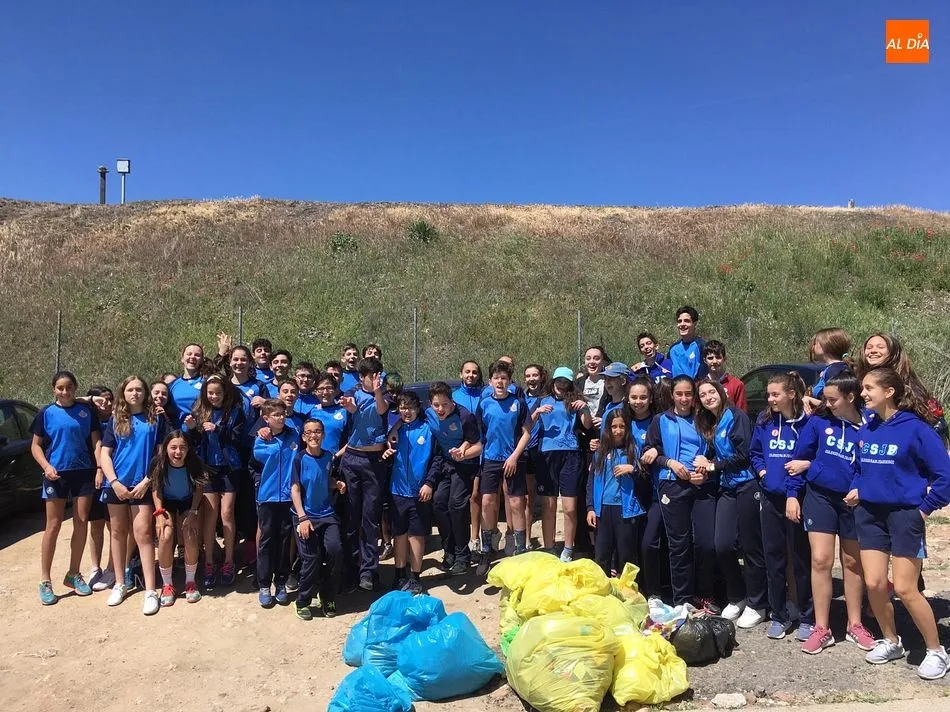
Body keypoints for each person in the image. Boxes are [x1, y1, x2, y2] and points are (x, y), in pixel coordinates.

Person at [846, 368, 950, 678]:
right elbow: (859, 469)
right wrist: (857, 488)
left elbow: (944, 477)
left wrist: (923, 510)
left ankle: (936, 650)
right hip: (869, 515)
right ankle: (891, 640)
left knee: (905, 588)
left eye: (868, 388)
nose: (863, 393)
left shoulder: (916, 430)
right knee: (875, 584)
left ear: (889, 392)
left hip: (905, 515)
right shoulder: (867, 430)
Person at [785, 369, 874, 654]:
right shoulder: (819, 423)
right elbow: (799, 458)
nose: (827, 404)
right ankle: (822, 628)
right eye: (825, 398)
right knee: (821, 560)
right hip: (819, 498)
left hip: (854, 503)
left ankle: (855, 624)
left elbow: (874, 465)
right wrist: (791, 494)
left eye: (833, 399)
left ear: (851, 397)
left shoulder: (871, 425)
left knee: (852, 563)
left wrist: (860, 487)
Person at [695, 378, 767, 629]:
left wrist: (713, 465)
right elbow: (721, 453)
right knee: (722, 544)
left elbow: (744, 454)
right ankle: (737, 597)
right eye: (702, 395)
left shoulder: (736, 417)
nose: (707, 397)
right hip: (727, 486)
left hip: (747, 485)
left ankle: (758, 603)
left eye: (711, 392)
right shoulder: (711, 422)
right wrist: (708, 459)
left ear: (721, 393)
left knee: (750, 547)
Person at [642, 375, 717, 611]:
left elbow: (717, 453)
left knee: (707, 542)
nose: (684, 399)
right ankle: (683, 598)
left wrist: (706, 471)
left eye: (688, 394)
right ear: (672, 395)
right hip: (672, 485)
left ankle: (706, 593)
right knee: (679, 544)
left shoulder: (705, 419)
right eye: (679, 394)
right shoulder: (660, 420)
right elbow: (649, 451)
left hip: (702, 485)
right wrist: (670, 463)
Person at [750, 371, 814, 641]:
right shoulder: (764, 421)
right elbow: (754, 453)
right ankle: (778, 614)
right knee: (773, 558)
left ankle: (807, 616)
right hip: (771, 498)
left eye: (775, 394)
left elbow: (810, 459)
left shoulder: (808, 424)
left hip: (799, 500)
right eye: (768, 394)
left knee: (800, 559)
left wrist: (792, 492)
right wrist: (764, 474)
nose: (770, 399)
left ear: (791, 394)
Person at [31, 371, 101, 605]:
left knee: (81, 522)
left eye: (69, 387)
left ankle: (73, 573)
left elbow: (96, 441)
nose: (64, 391)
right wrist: (46, 466)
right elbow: (35, 446)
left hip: (83, 473)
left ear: (75, 388)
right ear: (54, 389)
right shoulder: (45, 414)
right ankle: (45, 580)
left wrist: (99, 466)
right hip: (56, 474)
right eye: (60, 388)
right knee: (53, 525)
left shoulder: (86, 412)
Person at [100, 375, 168, 614]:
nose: (135, 393)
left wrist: (147, 481)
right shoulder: (115, 420)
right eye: (130, 390)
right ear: (123, 393)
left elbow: (161, 455)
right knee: (117, 533)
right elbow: (105, 454)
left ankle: (150, 590)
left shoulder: (157, 418)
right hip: (117, 485)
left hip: (143, 485)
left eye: (139, 389)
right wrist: (114, 482)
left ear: (145, 393)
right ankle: (119, 583)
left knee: (144, 534)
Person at [184, 374, 245, 589]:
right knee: (210, 515)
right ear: (205, 394)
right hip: (207, 469)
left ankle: (228, 560)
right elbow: (194, 443)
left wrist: (218, 429)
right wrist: (192, 428)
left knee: (226, 513)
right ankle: (209, 562)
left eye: (218, 392)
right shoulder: (200, 412)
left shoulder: (235, 412)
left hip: (229, 468)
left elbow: (239, 438)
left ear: (225, 393)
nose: (214, 396)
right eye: (210, 393)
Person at [474, 360, 533, 577]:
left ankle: (519, 550)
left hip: (513, 459)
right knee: (488, 502)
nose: (500, 381)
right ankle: (487, 549)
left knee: (517, 502)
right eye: (496, 378)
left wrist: (515, 457)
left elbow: (527, 432)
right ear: (490, 381)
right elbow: (480, 436)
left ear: (510, 381)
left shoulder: (518, 402)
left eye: (504, 378)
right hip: (490, 459)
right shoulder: (484, 404)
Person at [338, 357, 390, 591]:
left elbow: (381, 410)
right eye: (371, 376)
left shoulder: (386, 395)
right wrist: (349, 406)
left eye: (378, 375)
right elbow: (350, 406)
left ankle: (368, 569)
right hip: (352, 458)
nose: (375, 379)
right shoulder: (353, 393)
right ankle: (350, 566)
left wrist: (378, 390)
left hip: (374, 461)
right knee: (351, 515)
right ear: (362, 378)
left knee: (370, 517)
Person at [531, 366, 593, 561]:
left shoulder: (574, 402)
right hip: (547, 454)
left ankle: (568, 547)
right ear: (553, 381)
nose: (560, 384)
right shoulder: (542, 401)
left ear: (569, 384)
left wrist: (583, 407)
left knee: (570, 507)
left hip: (571, 454)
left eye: (565, 381)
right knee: (548, 506)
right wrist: (537, 412)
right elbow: (527, 426)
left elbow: (588, 424)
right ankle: (549, 547)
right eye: (558, 380)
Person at [290, 418, 345, 620]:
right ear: (304, 437)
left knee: (335, 551)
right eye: (309, 432)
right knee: (311, 558)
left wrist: (336, 484)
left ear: (323, 435)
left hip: (327, 514)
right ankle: (302, 600)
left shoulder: (329, 457)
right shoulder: (299, 459)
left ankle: (328, 596)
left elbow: (323, 479)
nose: (314, 435)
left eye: (317, 431)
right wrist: (303, 518)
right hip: (305, 516)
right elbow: (295, 489)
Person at [426, 381, 483, 575]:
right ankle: (448, 549)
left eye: (444, 404)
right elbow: (405, 413)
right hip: (444, 465)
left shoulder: (465, 416)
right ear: (430, 404)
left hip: (465, 465)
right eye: (436, 405)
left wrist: (463, 454)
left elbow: (478, 446)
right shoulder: (428, 414)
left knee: (456, 504)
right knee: (438, 503)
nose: (440, 409)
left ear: (452, 402)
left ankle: (462, 554)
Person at [383, 391, 437, 593]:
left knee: (417, 535)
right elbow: (383, 453)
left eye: (411, 407)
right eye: (403, 407)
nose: (407, 411)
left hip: (419, 492)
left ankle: (415, 577)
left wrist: (429, 483)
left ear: (418, 409)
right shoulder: (394, 431)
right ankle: (399, 575)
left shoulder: (428, 430)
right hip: (397, 492)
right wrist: (386, 454)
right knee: (399, 534)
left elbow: (436, 460)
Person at [622, 377, 670, 599]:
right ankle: (632, 589)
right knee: (629, 544)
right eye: (634, 397)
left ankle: (655, 593)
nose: (638, 401)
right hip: (627, 493)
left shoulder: (659, 422)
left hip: (654, 491)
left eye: (643, 397)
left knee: (649, 542)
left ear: (651, 399)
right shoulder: (622, 420)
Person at [251, 400, 299, 608]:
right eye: (275, 415)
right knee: (266, 541)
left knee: (284, 540)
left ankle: (280, 582)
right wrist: (264, 433)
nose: (280, 417)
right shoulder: (261, 439)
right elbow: (258, 460)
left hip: (288, 497)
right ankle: (264, 584)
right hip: (268, 497)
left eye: (282, 414)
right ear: (266, 418)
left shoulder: (294, 435)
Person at [149, 431, 206, 605]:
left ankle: (190, 582)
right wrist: (159, 513)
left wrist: (193, 511)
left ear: (188, 449)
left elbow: (199, 489)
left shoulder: (195, 463)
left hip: (188, 501)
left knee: (190, 534)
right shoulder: (158, 463)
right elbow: (156, 488)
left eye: (182, 447)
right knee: (165, 535)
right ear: (166, 448)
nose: (178, 452)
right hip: (167, 503)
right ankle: (167, 585)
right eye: (173, 447)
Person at [586, 409, 645, 576]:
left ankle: (629, 592)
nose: (618, 431)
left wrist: (633, 469)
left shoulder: (634, 450)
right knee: (602, 554)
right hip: (602, 510)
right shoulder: (600, 452)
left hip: (626, 511)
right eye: (613, 427)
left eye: (622, 426)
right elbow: (591, 481)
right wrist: (590, 507)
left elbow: (645, 479)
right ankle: (604, 593)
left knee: (627, 555)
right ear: (607, 428)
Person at [856, 333, 947, 438]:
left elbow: (933, 423)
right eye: (869, 347)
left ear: (893, 352)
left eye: (880, 347)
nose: (873, 350)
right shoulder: (858, 380)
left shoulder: (909, 386)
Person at [85, 385, 114, 592]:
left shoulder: (119, 419)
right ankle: (95, 567)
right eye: (102, 400)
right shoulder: (88, 419)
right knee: (95, 525)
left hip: (112, 476)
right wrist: (90, 399)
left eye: (110, 399)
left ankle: (113, 567)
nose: (107, 403)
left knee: (114, 526)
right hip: (93, 479)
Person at [804, 328, 852, 409]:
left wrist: (809, 400)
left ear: (826, 344)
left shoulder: (836, 370)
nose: (812, 347)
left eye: (815, 343)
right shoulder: (832, 369)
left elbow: (835, 404)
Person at [701, 340, 747, 411]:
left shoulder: (737, 385)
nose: (714, 361)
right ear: (705, 360)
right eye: (710, 358)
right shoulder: (700, 386)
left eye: (718, 357)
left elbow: (742, 416)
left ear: (724, 359)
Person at [168, 344, 206, 427]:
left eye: (197, 355)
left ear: (202, 360)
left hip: (199, 434)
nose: (192, 357)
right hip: (176, 435)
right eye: (189, 354)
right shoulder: (172, 385)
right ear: (182, 358)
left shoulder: (206, 383)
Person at [668, 307, 706, 379]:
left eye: (686, 321)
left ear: (695, 324)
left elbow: (704, 375)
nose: (682, 324)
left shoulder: (702, 346)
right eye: (679, 321)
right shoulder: (673, 349)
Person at [575, 346, 608, 414]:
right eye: (588, 358)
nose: (592, 362)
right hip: (582, 423)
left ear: (603, 362)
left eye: (596, 359)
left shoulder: (610, 382)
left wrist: (604, 419)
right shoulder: (577, 383)